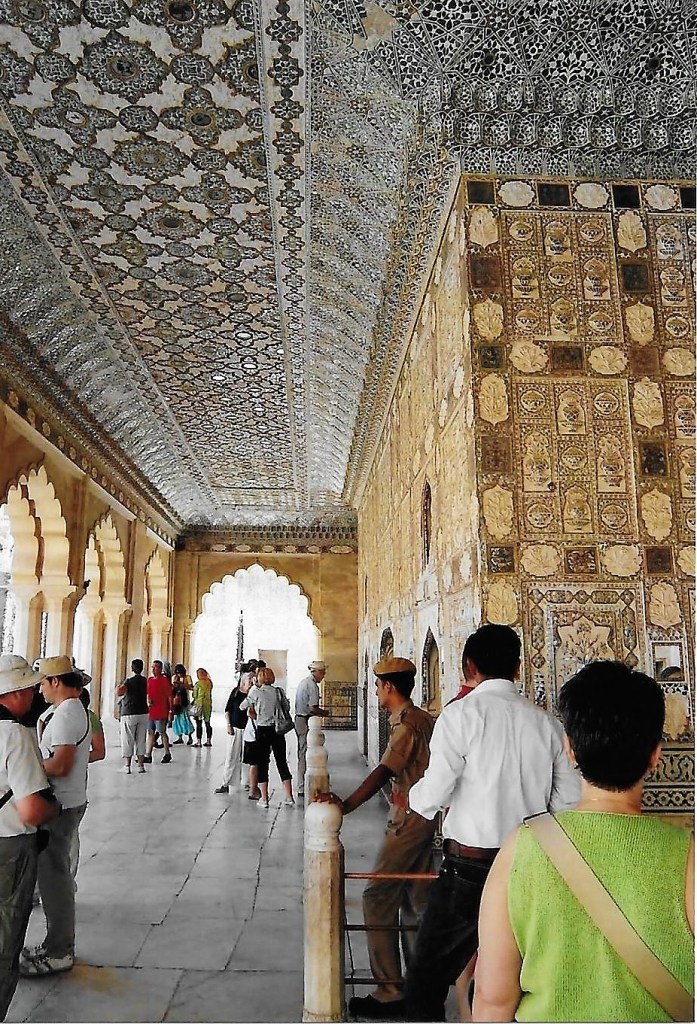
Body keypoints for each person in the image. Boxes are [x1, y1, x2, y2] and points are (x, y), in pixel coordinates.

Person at [474, 660, 694, 1023]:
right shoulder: (689, 856)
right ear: (655, 755)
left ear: (570, 750)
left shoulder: (522, 847)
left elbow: (492, 1000)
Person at [404, 625, 581, 1021]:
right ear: (517, 669)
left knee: (426, 980)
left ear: (469, 666)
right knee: (517, 978)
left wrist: (412, 798)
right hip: (529, 867)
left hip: (469, 869)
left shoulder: (460, 717)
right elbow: (567, 803)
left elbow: (432, 795)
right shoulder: (548, 725)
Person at [318, 657, 436, 1019]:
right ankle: (420, 988)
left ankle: (390, 991)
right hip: (421, 816)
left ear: (388, 688)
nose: (375, 690)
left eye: (378, 685)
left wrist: (345, 805)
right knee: (415, 896)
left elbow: (384, 772)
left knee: (378, 895)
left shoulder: (408, 726)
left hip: (409, 820)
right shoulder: (417, 719)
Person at [20, 655, 92, 979]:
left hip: (60, 806)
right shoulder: (70, 710)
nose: (40, 690)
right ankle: (55, 944)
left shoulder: (67, 714)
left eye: (43, 683)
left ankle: (60, 950)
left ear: (56, 682)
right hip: (67, 802)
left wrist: (24, 766)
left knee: (55, 880)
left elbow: (60, 765)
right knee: (53, 876)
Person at [0, 655, 59, 1017]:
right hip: (8, 847)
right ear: (17, 693)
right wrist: (53, 810)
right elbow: (31, 810)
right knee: (5, 936)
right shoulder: (14, 735)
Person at [241, 667, 294, 809]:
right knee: (282, 762)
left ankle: (264, 798)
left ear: (259, 678)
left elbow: (242, 706)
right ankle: (289, 796)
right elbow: (287, 708)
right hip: (277, 730)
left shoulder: (256, 692)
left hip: (263, 730)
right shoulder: (278, 691)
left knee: (262, 763)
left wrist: (251, 689)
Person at [215, 663, 254, 794]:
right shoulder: (236, 692)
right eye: (250, 679)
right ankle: (226, 783)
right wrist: (228, 725)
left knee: (247, 758)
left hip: (249, 730)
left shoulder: (253, 694)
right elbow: (228, 710)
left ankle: (247, 783)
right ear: (244, 680)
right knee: (231, 756)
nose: (252, 681)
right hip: (236, 728)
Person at [294, 660, 330, 797]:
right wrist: (324, 713)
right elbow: (312, 708)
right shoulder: (313, 686)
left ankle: (301, 785)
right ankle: (302, 786)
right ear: (318, 672)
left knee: (302, 752)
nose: (324, 676)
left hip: (300, 719)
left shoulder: (304, 682)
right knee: (305, 754)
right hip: (304, 720)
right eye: (323, 673)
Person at [117, 659, 149, 773]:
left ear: (132, 668)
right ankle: (141, 765)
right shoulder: (145, 680)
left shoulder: (129, 681)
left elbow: (119, 692)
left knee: (127, 739)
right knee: (141, 739)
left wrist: (119, 685)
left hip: (129, 712)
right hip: (143, 712)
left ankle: (127, 766)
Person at [145, 660, 173, 764]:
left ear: (160, 669)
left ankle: (167, 753)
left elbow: (170, 696)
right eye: (152, 667)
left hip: (161, 710)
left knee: (162, 732)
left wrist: (170, 710)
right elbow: (148, 693)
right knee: (150, 732)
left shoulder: (165, 681)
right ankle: (148, 754)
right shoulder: (150, 680)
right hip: (151, 711)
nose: (153, 669)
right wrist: (148, 701)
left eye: (155, 667)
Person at [171, 665, 194, 745]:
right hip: (176, 701)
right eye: (177, 673)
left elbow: (191, 687)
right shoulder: (174, 677)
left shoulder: (188, 677)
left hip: (184, 700)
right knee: (177, 720)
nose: (179, 674)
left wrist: (183, 685)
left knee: (185, 719)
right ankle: (179, 737)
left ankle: (189, 737)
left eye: (180, 673)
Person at [191, 667, 213, 747]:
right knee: (207, 722)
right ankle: (209, 741)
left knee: (199, 723)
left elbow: (194, 695)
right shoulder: (209, 682)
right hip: (208, 704)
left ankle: (199, 742)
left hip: (199, 704)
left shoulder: (198, 684)